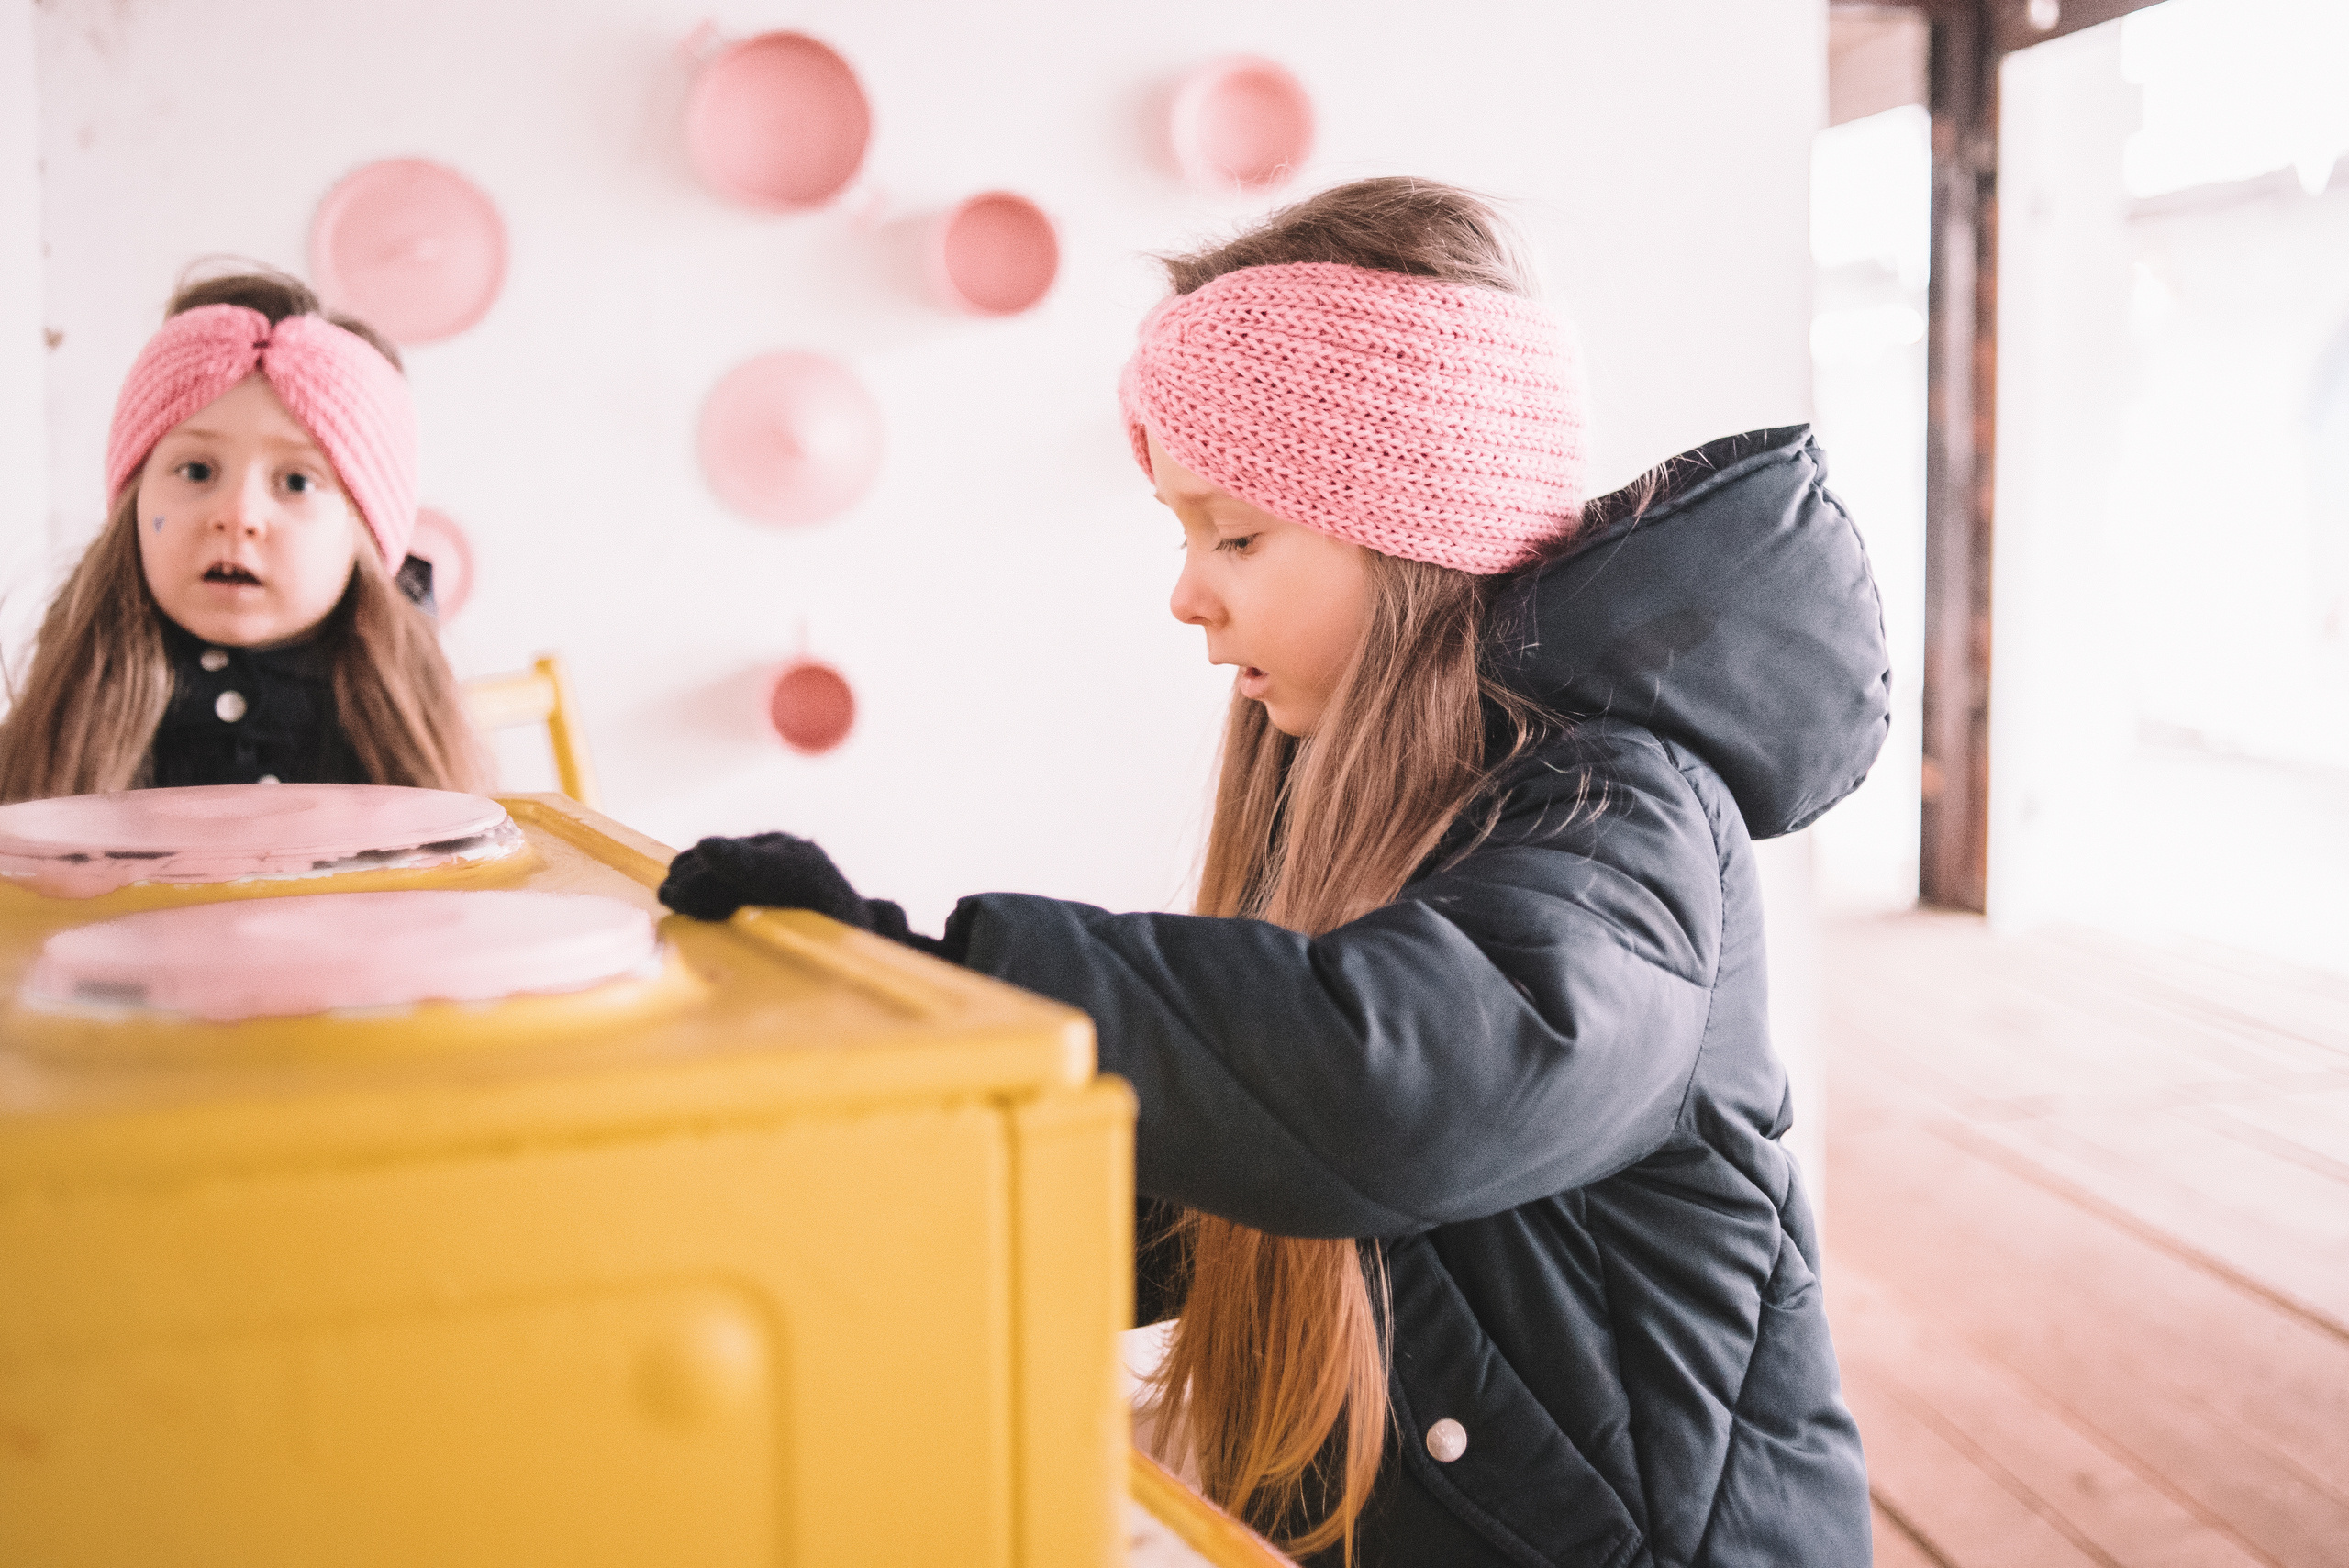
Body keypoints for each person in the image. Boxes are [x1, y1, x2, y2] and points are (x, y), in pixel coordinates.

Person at [659, 178, 1887, 1567]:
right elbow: (1227, 1158)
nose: (1189, 590)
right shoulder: (1367, 800)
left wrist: (941, 984)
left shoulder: (1624, 821)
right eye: (1184, 535)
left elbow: (1389, 1084)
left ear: (1416, 532)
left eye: (1236, 535)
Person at [0, 269, 483, 802]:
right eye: (197, 471)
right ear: (135, 504)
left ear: (365, 536)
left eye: (297, 481)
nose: (238, 515)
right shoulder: (80, 690)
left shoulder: (403, 717)